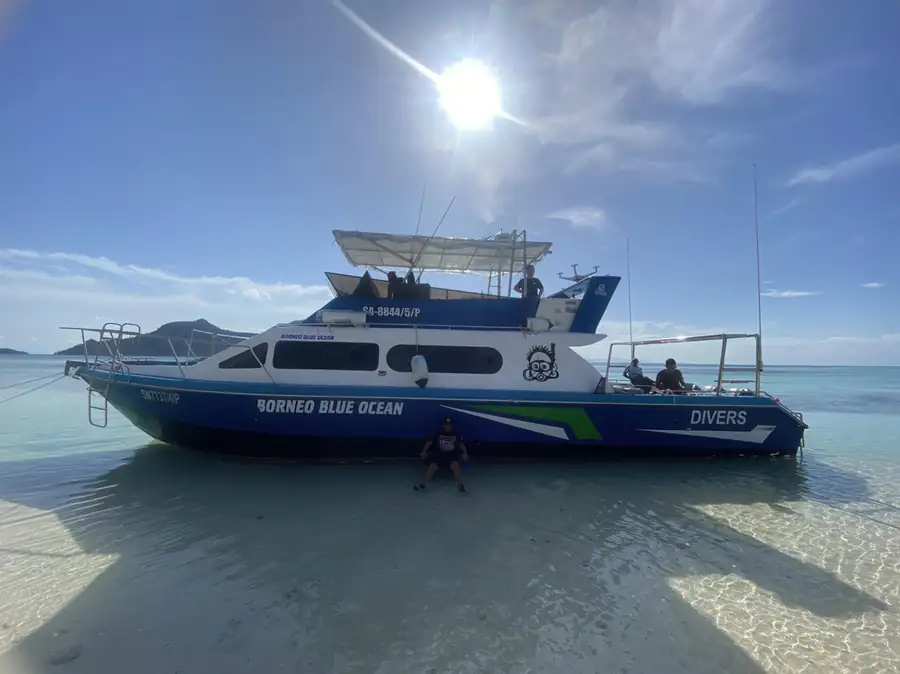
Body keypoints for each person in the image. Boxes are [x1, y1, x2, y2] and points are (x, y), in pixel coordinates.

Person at [414, 417, 469, 492]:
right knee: (432, 467)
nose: (448, 427)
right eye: (446, 425)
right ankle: (423, 485)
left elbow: (461, 444)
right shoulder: (438, 433)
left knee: (456, 466)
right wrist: (424, 451)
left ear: (452, 426)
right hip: (440, 456)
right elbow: (429, 442)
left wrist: (465, 453)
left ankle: (460, 486)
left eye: (449, 425)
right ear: (443, 426)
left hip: (451, 456)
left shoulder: (456, 434)